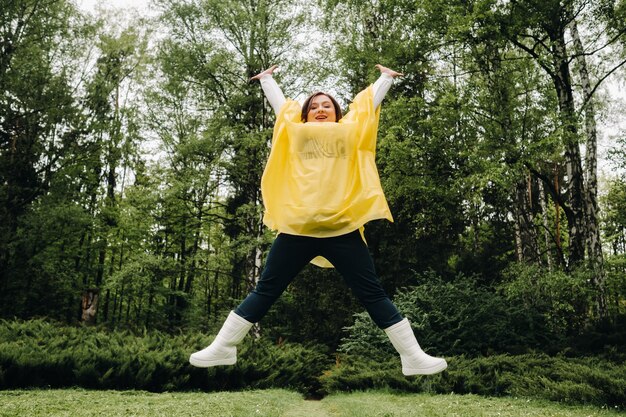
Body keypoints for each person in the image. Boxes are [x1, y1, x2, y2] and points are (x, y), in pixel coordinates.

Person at [189, 64, 447, 376]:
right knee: (265, 290)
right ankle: (223, 347)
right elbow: (282, 109)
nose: (320, 109)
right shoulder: (295, 133)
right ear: (306, 114)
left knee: (372, 293)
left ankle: (413, 357)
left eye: (327, 105)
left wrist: (385, 78)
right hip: (299, 229)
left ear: (338, 113)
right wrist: (267, 80)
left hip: (342, 230)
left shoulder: (349, 133)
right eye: (313, 106)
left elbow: (366, 107)